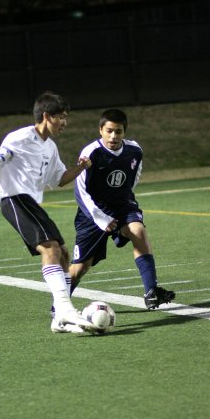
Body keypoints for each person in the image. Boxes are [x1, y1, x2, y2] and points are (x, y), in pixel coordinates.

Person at [0, 91, 97, 334]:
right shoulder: (20, 137)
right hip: (14, 198)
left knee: (63, 254)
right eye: (61, 117)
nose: (64, 122)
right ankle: (64, 310)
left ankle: (59, 317)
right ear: (47, 116)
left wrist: (80, 167)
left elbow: (59, 180)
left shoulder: (50, 147)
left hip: (31, 203)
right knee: (50, 249)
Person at [69, 107, 176, 310]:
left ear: (124, 132)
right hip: (93, 213)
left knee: (138, 230)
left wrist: (124, 201)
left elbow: (132, 180)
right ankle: (60, 305)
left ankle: (151, 292)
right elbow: (80, 192)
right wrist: (101, 218)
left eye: (118, 131)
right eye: (109, 130)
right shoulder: (91, 153)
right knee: (81, 267)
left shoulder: (134, 151)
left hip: (122, 206)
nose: (113, 136)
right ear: (101, 130)